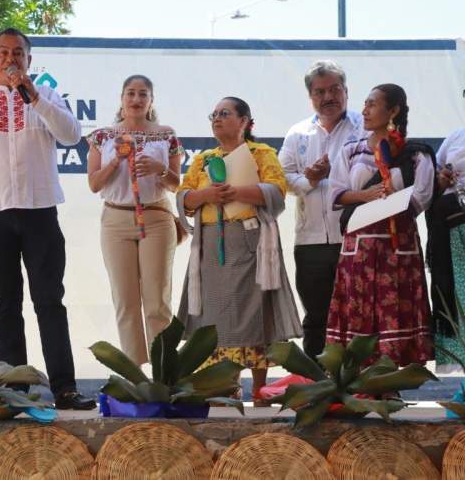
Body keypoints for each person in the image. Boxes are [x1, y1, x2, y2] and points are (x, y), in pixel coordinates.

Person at [0, 28, 94, 410]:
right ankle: (16, 388)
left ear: (29, 60)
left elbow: (72, 135)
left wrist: (36, 98)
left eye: (19, 53)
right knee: (5, 303)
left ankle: (64, 388)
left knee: (49, 301)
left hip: (40, 211)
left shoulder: (46, 97)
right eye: (3, 53)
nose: (11, 59)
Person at [177, 97, 301, 405]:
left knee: (253, 311)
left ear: (245, 121)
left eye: (225, 113)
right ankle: (224, 386)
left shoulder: (261, 154)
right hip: (210, 247)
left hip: (250, 244)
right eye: (214, 114)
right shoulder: (203, 159)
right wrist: (205, 194)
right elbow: (183, 197)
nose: (217, 118)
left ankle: (259, 389)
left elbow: (277, 191)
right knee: (215, 315)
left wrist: (238, 192)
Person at [326, 84, 434, 365]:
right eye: (364, 103)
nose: (365, 110)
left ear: (393, 110)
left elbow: (421, 196)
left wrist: (390, 202)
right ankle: (359, 379)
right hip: (359, 246)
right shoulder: (351, 151)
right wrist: (366, 196)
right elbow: (336, 194)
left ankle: (390, 379)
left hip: (397, 246)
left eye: (372, 104)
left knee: (395, 306)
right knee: (358, 310)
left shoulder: (416, 154)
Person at [86, 74, 182, 365]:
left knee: (157, 301)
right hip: (116, 220)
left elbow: (177, 184)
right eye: (131, 93)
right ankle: (137, 375)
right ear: (122, 98)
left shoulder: (166, 134)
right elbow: (94, 184)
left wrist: (159, 168)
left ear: (151, 100)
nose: (137, 99)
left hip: (156, 218)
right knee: (125, 302)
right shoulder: (102, 136)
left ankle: (164, 371)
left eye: (143, 94)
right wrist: (116, 161)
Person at [278, 60, 363, 359]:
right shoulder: (298, 133)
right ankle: (317, 388)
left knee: (359, 315)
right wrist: (310, 179)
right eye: (320, 91)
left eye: (334, 89)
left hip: (356, 237)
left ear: (346, 91)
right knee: (316, 318)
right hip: (310, 239)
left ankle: (361, 387)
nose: (328, 97)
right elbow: (282, 178)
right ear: (311, 96)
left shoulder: (364, 127)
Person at [426, 128, 465, 372]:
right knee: (457, 299)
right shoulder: (456, 136)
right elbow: (434, 178)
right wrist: (441, 179)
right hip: (454, 232)